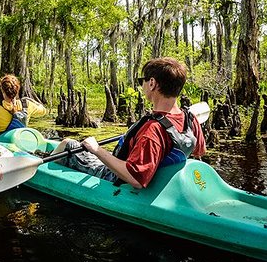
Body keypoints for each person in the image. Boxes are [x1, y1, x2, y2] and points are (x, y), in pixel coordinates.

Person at [61, 57, 206, 189]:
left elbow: (136, 179)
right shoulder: (190, 119)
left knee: (68, 144)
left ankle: (43, 173)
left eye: (141, 80)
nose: (141, 85)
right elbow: (200, 150)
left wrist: (97, 150)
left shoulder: (153, 130)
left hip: (115, 178)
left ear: (152, 83)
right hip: (160, 181)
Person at [0, 74, 46, 138]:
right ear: (17, 90)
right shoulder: (27, 104)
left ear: (2, 90)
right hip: (19, 143)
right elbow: (43, 111)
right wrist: (33, 101)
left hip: (3, 147)